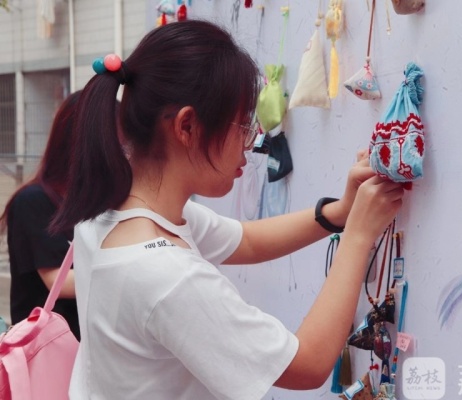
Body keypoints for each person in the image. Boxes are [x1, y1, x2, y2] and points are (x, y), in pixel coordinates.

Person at [50, 20, 408, 399]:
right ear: (187, 126)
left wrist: (342, 212)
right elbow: (308, 365)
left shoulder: (115, 212)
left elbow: (247, 240)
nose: (250, 145)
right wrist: (358, 236)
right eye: (242, 126)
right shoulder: (168, 276)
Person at [0, 91, 82, 340]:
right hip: (48, 351)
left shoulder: (97, 201)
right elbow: (59, 282)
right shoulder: (33, 201)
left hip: (88, 350)